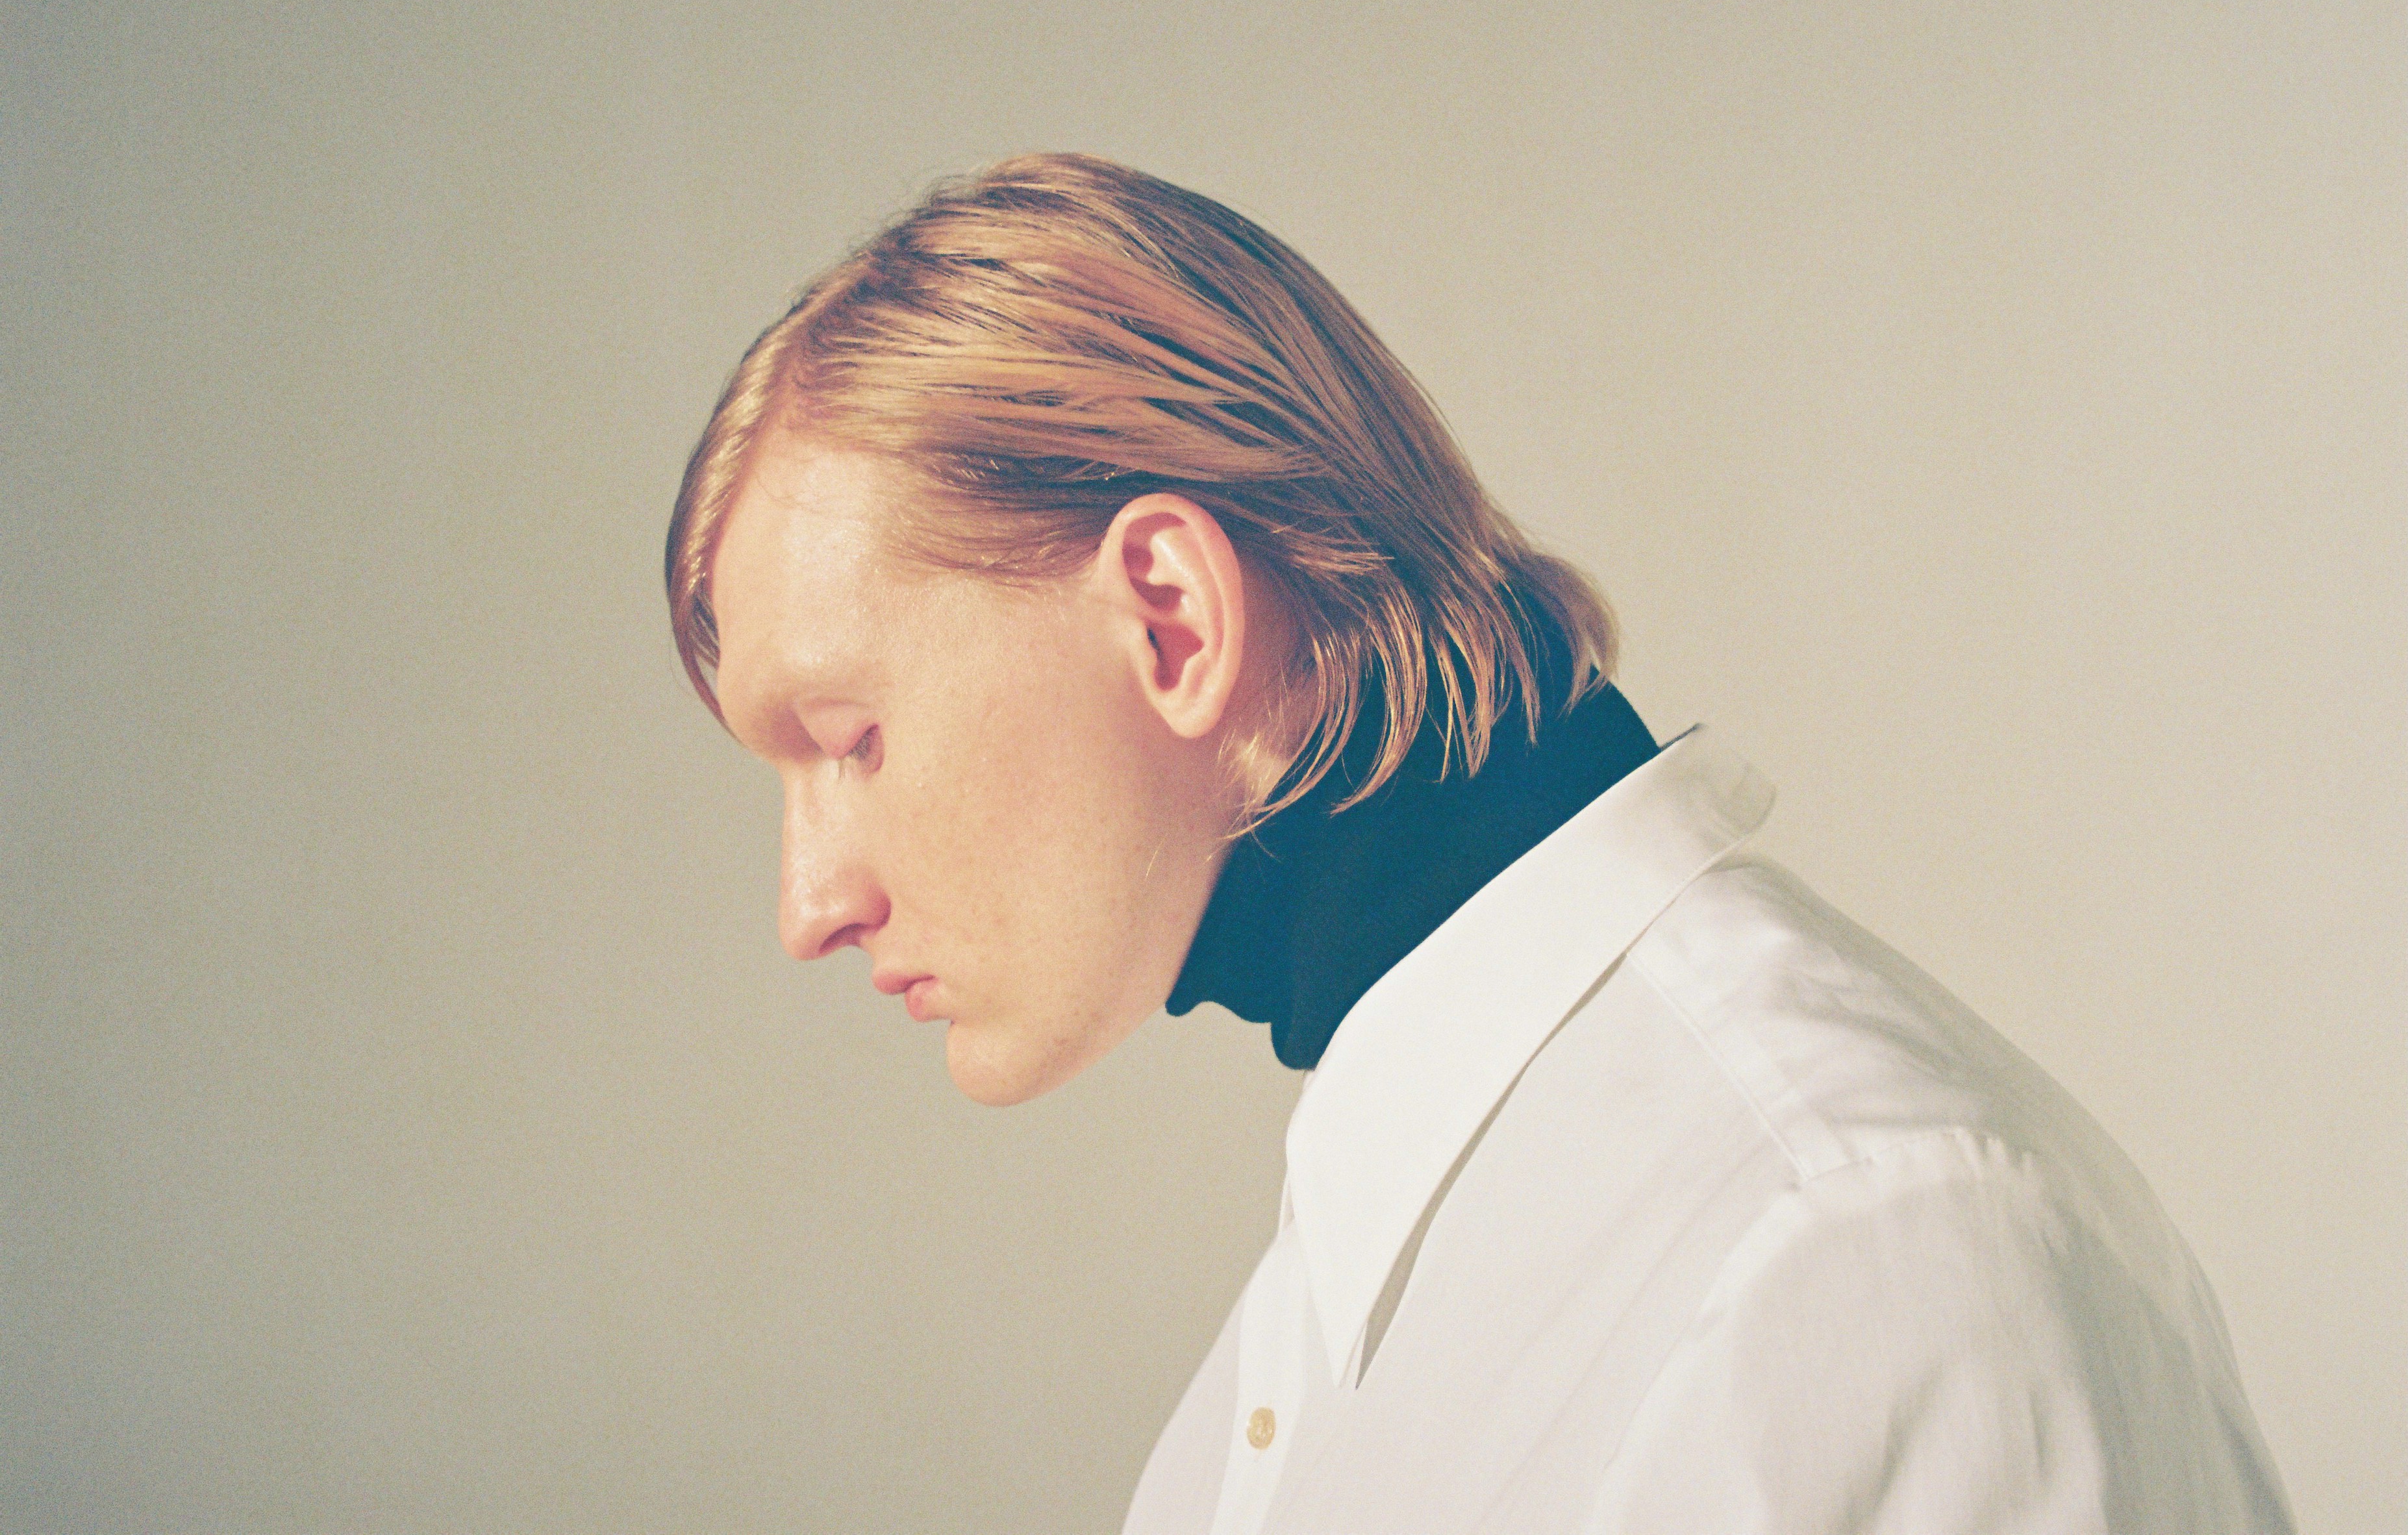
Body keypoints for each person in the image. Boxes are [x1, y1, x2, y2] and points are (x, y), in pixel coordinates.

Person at [664, 154, 2294, 1533]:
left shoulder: (1863, 1260)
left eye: (850, 740)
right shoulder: (1330, 1314)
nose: (809, 902)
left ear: (1171, 617)